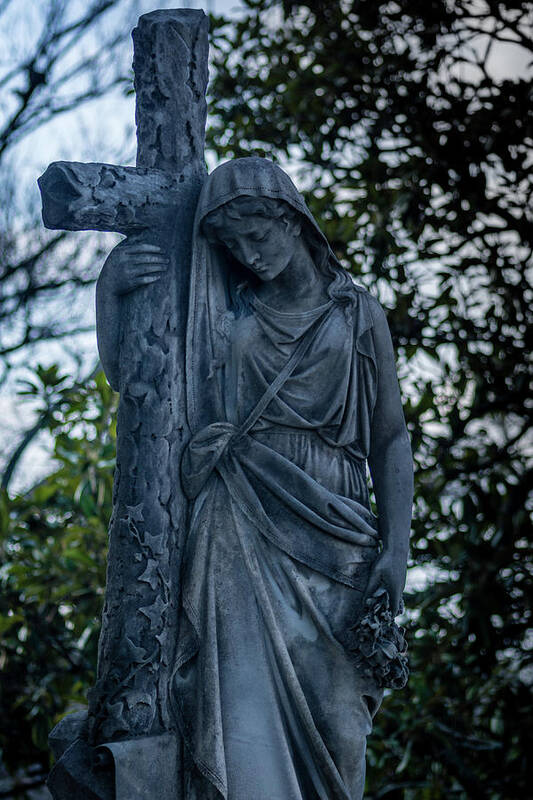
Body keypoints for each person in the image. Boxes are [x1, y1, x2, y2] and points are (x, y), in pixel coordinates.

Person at [96, 157, 413, 800]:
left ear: (293, 222)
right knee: (237, 711)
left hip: (338, 525)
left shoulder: (357, 315)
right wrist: (110, 294)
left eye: (258, 235)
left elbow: (391, 437)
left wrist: (398, 549)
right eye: (234, 244)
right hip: (238, 513)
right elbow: (142, 382)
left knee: (342, 726)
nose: (249, 254)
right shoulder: (227, 312)